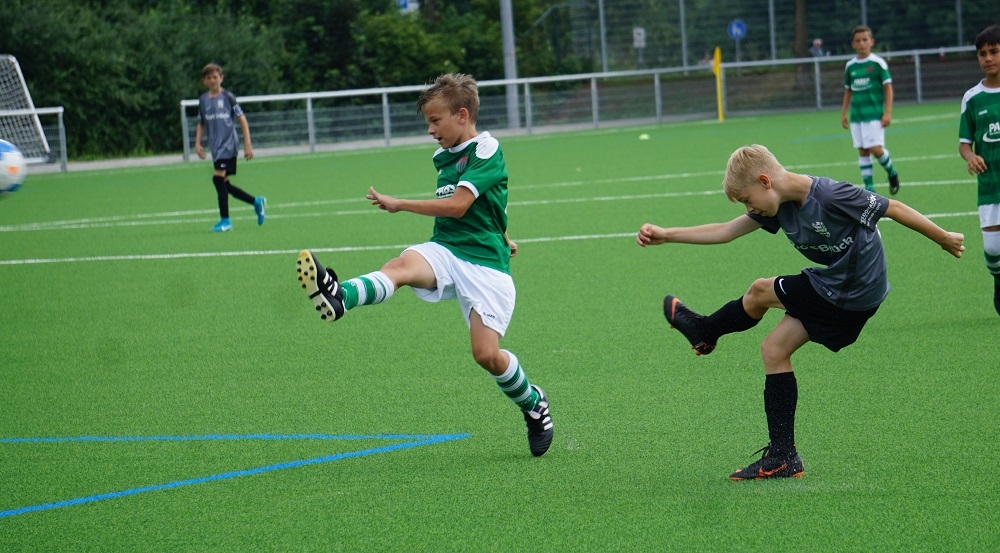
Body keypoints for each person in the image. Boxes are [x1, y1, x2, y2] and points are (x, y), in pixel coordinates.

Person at [636, 144, 964, 480]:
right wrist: (666, 235)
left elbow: (893, 208)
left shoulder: (831, 195)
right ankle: (784, 457)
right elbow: (726, 231)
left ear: (765, 181)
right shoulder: (777, 204)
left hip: (853, 290)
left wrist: (944, 238)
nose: (749, 208)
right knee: (774, 349)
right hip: (834, 288)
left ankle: (705, 331)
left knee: (760, 290)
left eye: (747, 200)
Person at [295, 73, 553, 456]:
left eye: (435, 121)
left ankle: (533, 403)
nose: (430, 130)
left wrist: (400, 204)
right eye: (428, 123)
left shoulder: (486, 149)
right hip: (445, 249)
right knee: (401, 266)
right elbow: (486, 204)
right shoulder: (442, 157)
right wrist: (504, 232)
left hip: (486, 266)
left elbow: (459, 205)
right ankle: (339, 295)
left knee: (486, 355)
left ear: (462, 115)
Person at [194, 63, 265, 232]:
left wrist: (247, 144)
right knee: (226, 185)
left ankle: (225, 221)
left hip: (228, 146)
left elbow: (242, 119)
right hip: (216, 148)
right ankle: (256, 202)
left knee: (217, 179)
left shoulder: (228, 97)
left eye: (215, 77)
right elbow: (201, 123)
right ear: (204, 81)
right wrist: (197, 143)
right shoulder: (203, 100)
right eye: (209, 78)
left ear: (221, 78)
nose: (212, 80)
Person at [959, 24, 1000, 316]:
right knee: (994, 252)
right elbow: (964, 144)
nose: (988, 58)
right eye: (982, 54)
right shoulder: (972, 97)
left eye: (994, 51)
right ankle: (998, 279)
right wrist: (971, 156)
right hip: (989, 186)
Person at [841, 25, 900, 195]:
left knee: (876, 149)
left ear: (871, 42)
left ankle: (891, 171)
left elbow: (888, 88)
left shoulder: (877, 63)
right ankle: (870, 189)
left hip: (874, 115)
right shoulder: (850, 66)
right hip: (857, 116)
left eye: (865, 40)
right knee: (863, 151)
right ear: (853, 44)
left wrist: (888, 112)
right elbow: (848, 90)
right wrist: (844, 113)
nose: (861, 43)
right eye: (858, 41)